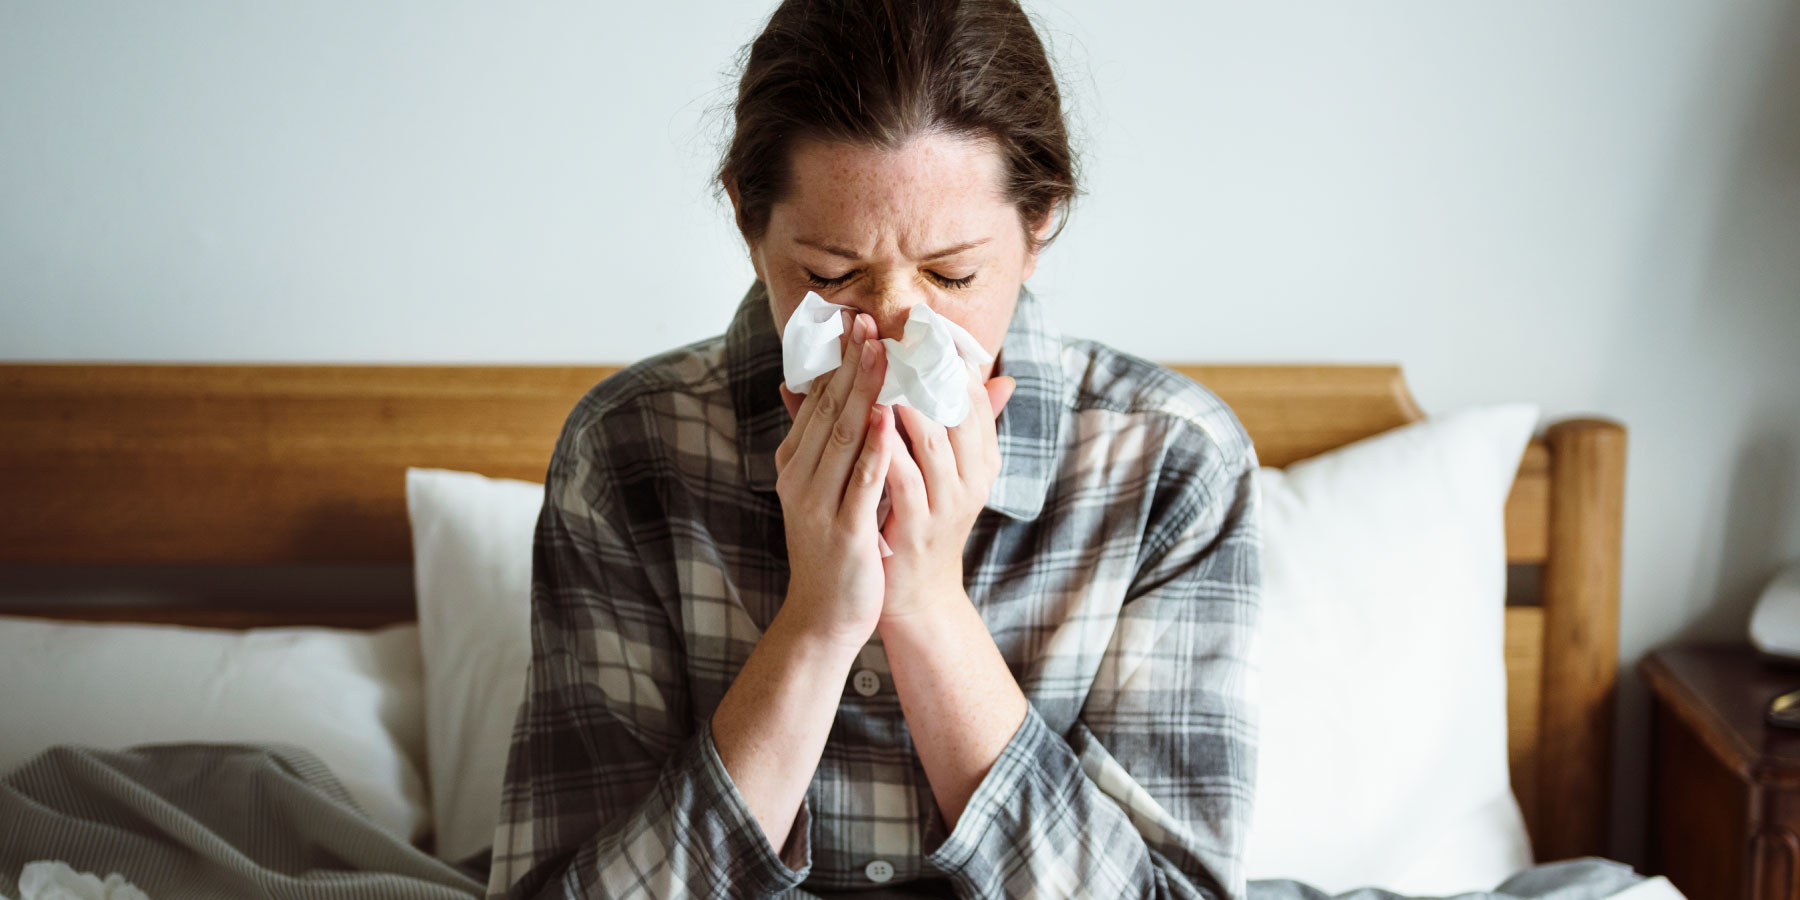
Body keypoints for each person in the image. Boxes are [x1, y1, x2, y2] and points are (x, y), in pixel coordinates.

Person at [487, 1, 1261, 897]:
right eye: (830, 276)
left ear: (1040, 222)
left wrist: (929, 608)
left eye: (954, 275)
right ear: (749, 221)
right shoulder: (626, 455)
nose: (892, 332)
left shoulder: (1168, 465)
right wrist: (817, 624)